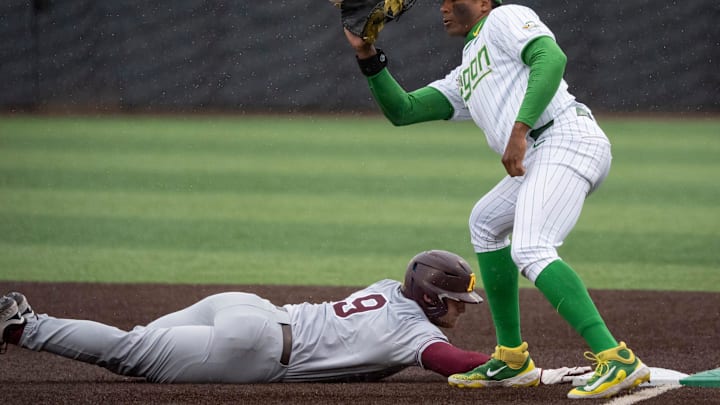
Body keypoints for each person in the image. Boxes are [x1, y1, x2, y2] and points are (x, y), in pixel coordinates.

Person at [341, 0, 650, 399]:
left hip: (566, 140)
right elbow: (404, 109)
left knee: (532, 248)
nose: (444, 7)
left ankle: (616, 357)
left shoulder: (503, 18)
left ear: (484, 3)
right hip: (543, 150)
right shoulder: (468, 68)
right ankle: (512, 360)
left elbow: (550, 57)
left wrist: (519, 130)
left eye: (454, 0)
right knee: (485, 222)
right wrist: (367, 55)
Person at [0, 250, 586, 384]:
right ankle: (20, 326)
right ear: (432, 298)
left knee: (135, 341)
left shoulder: (388, 290)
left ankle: (25, 319)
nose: (462, 310)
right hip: (251, 347)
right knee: (129, 354)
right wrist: (525, 370)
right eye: (457, 301)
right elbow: (456, 365)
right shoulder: (414, 331)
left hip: (244, 306)